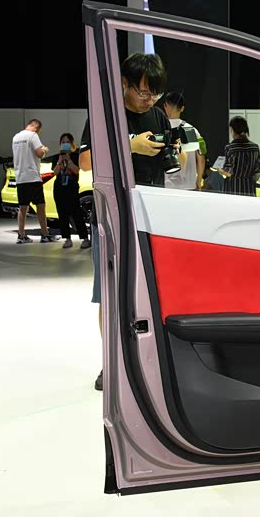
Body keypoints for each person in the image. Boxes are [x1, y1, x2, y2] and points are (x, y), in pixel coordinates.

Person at [79, 52, 170, 391]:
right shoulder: (107, 115)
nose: (149, 100)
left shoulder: (159, 115)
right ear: (124, 83)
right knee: (111, 294)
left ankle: (146, 361)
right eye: (144, 92)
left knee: (149, 293)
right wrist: (131, 145)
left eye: (155, 93)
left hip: (150, 217)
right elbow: (85, 160)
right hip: (112, 218)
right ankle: (112, 363)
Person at [12, 119, 53, 243]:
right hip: (32, 177)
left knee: (23, 207)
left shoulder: (16, 137)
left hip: (20, 177)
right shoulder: (33, 135)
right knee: (40, 205)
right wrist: (44, 149)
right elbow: (39, 154)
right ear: (36, 127)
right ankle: (45, 234)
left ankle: (21, 235)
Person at [52, 133, 90, 249]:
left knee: (76, 213)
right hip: (59, 188)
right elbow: (55, 172)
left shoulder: (75, 156)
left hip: (72, 188)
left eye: (67, 142)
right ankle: (67, 239)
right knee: (62, 214)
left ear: (72, 143)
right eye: (63, 142)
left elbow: (76, 170)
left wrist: (69, 160)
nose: (65, 144)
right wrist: (60, 161)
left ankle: (85, 238)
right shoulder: (57, 157)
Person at [162, 92, 206, 191]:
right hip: (189, 185)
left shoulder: (160, 129)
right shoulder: (193, 130)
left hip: (165, 185)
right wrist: (199, 180)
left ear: (165, 106)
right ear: (182, 108)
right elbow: (201, 157)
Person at [221, 116, 260, 197]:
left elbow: (228, 173)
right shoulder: (255, 147)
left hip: (232, 189)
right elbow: (259, 171)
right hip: (249, 189)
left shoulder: (230, 147)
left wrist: (220, 170)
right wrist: (250, 181)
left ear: (233, 129)